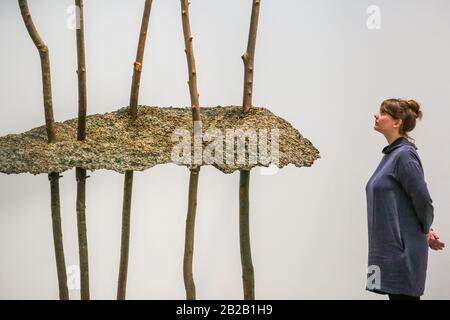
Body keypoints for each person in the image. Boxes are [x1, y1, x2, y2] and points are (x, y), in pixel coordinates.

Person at [365, 98, 445, 300]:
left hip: (402, 254)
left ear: (396, 122)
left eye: (383, 113)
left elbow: (423, 201)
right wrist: (426, 229)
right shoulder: (391, 156)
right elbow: (405, 204)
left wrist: (426, 229)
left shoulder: (404, 156)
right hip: (387, 253)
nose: (376, 115)